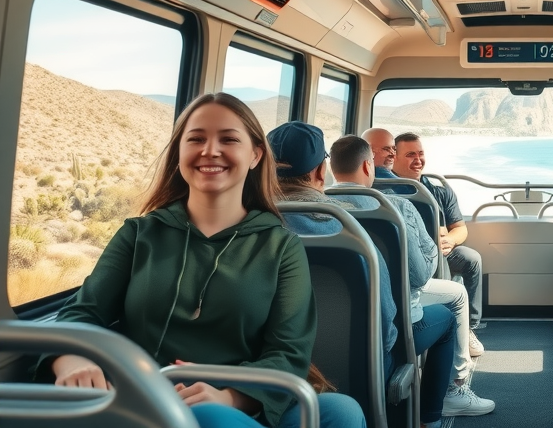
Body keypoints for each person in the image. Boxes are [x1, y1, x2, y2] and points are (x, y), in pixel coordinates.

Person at [41, 93, 365, 428]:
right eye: (196, 139)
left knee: (340, 411)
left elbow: (289, 352)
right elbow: (83, 312)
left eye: (228, 139)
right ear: (179, 153)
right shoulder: (139, 236)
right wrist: (71, 359)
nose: (210, 150)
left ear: (255, 155)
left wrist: (230, 397)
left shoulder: (280, 247)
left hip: (241, 403)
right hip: (149, 402)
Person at [329, 135, 495, 420]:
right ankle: (443, 401)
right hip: (390, 330)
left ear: (330, 169)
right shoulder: (395, 208)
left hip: (331, 330)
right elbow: (419, 276)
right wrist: (431, 250)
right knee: (446, 317)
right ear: (368, 166)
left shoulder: (317, 211)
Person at [266, 122, 398, 382]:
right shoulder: (348, 229)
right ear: (320, 170)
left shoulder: (243, 227)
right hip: (356, 375)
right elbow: (384, 324)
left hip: (270, 378)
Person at [392, 133, 486, 347]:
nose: (418, 160)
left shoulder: (438, 190)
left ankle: (468, 327)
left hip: (441, 251)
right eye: (410, 155)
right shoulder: (385, 191)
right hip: (405, 255)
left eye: (420, 153)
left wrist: (450, 240)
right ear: (394, 157)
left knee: (471, 259)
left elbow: (460, 228)